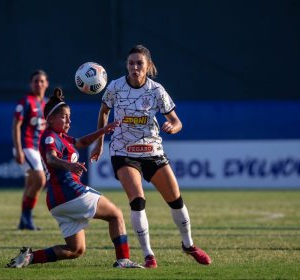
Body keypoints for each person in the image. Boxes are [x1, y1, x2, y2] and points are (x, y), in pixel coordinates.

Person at [90, 44, 212, 268]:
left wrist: (172, 127)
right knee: (137, 200)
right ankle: (149, 255)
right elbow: (104, 111)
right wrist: (99, 144)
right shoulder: (115, 87)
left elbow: (177, 121)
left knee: (176, 201)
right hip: (123, 151)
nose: (134, 67)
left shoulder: (156, 90)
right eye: (131, 63)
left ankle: (188, 244)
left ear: (148, 66)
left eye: (139, 63)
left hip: (152, 151)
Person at [6, 88, 143, 269]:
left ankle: (29, 257)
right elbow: (51, 158)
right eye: (64, 116)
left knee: (76, 249)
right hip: (70, 192)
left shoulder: (61, 137)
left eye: (69, 116)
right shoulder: (49, 137)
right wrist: (69, 165)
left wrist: (103, 130)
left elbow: (82, 142)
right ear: (50, 119)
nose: (69, 120)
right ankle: (123, 260)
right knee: (116, 214)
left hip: (57, 202)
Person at [12, 70, 49, 230]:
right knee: (40, 180)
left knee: (30, 184)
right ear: (31, 84)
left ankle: (24, 221)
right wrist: (19, 149)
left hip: (38, 149)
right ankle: (27, 217)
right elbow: (16, 125)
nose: (38, 84)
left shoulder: (47, 103)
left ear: (46, 83)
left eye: (41, 81)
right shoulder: (26, 101)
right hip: (27, 147)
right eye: (35, 81)